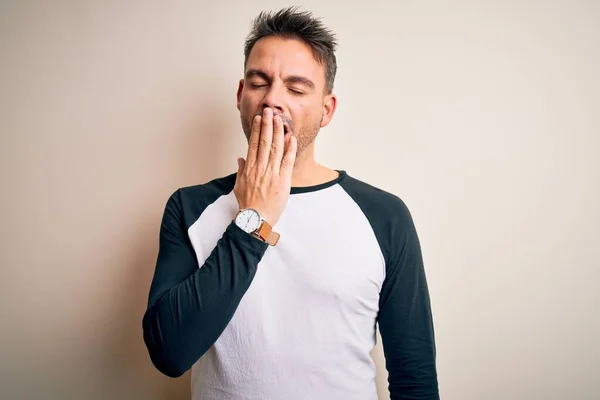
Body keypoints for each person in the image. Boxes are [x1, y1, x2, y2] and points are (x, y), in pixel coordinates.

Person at [142, 6, 439, 400]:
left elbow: (413, 377)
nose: (272, 100)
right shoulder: (190, 207)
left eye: (297, 89)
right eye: (258, 82)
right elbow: (169, 354)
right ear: (240, 95)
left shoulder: (384, 215)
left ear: (326, 110)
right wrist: (255, 218)